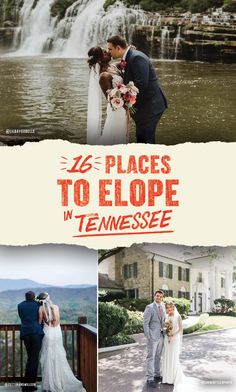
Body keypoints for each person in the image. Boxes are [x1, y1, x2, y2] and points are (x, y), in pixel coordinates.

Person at [107, 35, 168, 144]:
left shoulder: (136, 57)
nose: (108, 52)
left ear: (118, 48)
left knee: (144, 140)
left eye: (110, 49)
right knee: (144, 139)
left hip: (150, 107)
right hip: (144, 107)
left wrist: (126, 101)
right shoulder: (128, 57)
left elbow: (141, 85)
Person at [37, 292, 86, 392]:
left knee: (48, 358)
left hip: (48, 333)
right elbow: (58, 320)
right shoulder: (56, 307)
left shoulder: (41, 309)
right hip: (57, 333)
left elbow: (39, 322)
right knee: (58, 357)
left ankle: (50, 384)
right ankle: (60, 382)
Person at [87, 46, 128, 145]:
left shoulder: (113, 66)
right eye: (105, 53)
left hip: (123, 109)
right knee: (114, 137)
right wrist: (128, 97)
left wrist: (128, 50)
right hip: (117, 111)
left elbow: (125, 59)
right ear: (100, 60)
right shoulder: (104, 76)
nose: (109, 53)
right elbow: (111, 100)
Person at [18, 291, 44, 392]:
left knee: (30, 359)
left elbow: (22, 317)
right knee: (34, 359)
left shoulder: (20, 305)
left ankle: (26, 383)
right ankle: (30, 386)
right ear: (34, 297)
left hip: (25, 332)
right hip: (36, 333)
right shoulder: (38, 305)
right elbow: (40, 319)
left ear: (25, 297)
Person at [143, 289, 166, 388]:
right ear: (154, 296)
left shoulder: (163, 307)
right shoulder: (149, 307)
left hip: (161, 335)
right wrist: (148, 336)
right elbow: (145, 323)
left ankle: (157, 374)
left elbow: (163, 320)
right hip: (152, 336)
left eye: (160, 296)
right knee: (151, 357)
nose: (159, 298)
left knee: (158, 356)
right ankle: (150, 378)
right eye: (157, 296)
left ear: (162, 297)